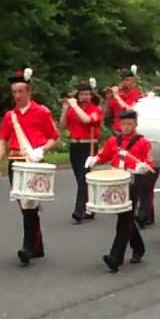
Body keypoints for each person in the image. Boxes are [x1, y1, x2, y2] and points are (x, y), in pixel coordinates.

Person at [0, 68, 60, 266]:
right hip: (15, 163)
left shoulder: (42, 112)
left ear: (29, 92)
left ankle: (28, 247)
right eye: (14, 92)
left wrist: (42, 150)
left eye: (21, 91)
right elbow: (3, 142)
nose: (17, 96)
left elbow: (55, 138)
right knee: (25, 205)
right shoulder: (9, 116)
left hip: (34, 162)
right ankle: (37, 246)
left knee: (30, 205)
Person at [86, 110, 152, 271]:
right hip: (116, 180)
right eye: (123, 124)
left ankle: (115, 257)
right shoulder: (113, 141)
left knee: (124, 219)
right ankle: (138, 248)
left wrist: (141, 166)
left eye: (129, 124)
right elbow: (104, 156)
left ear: (135, 124)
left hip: (133, 181)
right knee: (125, 217)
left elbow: (148, 163)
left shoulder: (143, 142)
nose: (126, 127)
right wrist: (94, 160)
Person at [61, 79, 103, 223]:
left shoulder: (96, 109)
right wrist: (66, 108)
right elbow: (63, 124)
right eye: (82, 94)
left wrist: (75, 106)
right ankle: (90, 207)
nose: (84, 97)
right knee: (82, 180)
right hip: (75, 146)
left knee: (83, 178)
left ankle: (79, 211)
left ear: (91, 96)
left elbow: (87, 120)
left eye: (87, 94)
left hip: (89, 146)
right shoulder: (73, 109)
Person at [105, 64, 143, 133]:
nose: (125, 82)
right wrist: (108, 98)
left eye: (128, 80)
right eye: (123, 80)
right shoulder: (116, 94)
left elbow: (130, 111)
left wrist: (116, 96)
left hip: (130, 132)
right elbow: (107, 115)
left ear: (133, 81)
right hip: (117, 131)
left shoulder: (136, 94)